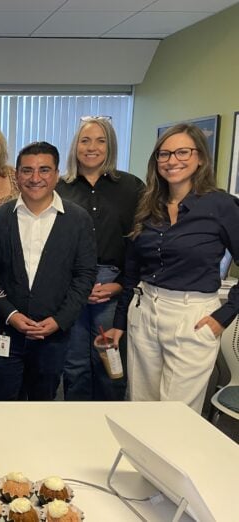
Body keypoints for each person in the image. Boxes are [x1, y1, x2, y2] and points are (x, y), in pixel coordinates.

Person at [108, 123, 239, 414]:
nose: (172, 160)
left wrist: (223, 317)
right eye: (164, 154)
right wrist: (119, 322)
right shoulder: (147, 204)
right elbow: (132, 269)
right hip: (144, 310)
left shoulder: (221, 206)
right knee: (140, 404)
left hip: (191, 315)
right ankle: (140, 461)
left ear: (201, 158)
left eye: (182, 152)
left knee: (176, 413)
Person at [0, 141, 97, 401]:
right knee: (2, 402)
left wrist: (59, 320)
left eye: (44, 170)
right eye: (27, 170)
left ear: (56, 174)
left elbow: (84, 275)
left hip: (52, 335)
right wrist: (11, 314)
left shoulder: (78, 220)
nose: (35, 178)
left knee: (43, 403)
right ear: (17, 174)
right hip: (6, 331)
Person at [56, 116, 144, 401]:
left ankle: (110, 425)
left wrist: (120, 284)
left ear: (111, 146)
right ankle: (76, 428)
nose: (91, 147)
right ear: (75, 146)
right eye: (85, 140)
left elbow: (140, 244)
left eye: (100, 140)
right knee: (75, 365)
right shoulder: (59, 188)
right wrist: (75, 286)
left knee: (110, 361)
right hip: (70, 288)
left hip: (113, 288)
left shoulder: (132, 188)